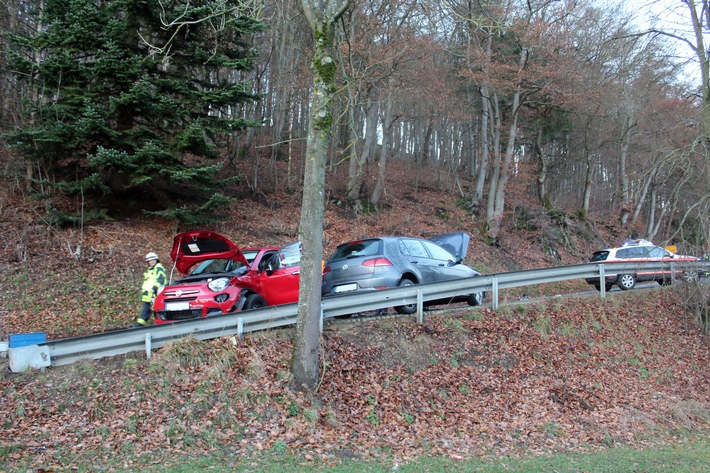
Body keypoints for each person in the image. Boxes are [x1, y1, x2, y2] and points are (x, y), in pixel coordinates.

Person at [133, 252, 167, 327]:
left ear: (156, 260)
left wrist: (154, 288)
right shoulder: (150, 269)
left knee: (151, 309)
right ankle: (139, 325)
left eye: (153, 260)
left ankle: (138, 326)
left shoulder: (158, 267)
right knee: (148, 309)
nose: (151, 261)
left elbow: (161, 279)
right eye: (149, 260)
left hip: (155, 293)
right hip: (149, 294)